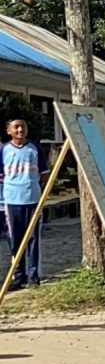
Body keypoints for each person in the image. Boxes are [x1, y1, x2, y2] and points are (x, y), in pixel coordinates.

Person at [2, 119, 49, 289]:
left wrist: (39, 190)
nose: (20, 129)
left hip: (33, 200)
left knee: (33, 239)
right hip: (12, 200)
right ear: (9, 131)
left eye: (23, 126)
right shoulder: (4, 150)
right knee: (15, 240)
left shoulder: (35, 148)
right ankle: (19, 274)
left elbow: (45, 174)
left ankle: (34, 275)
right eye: (16, 127)